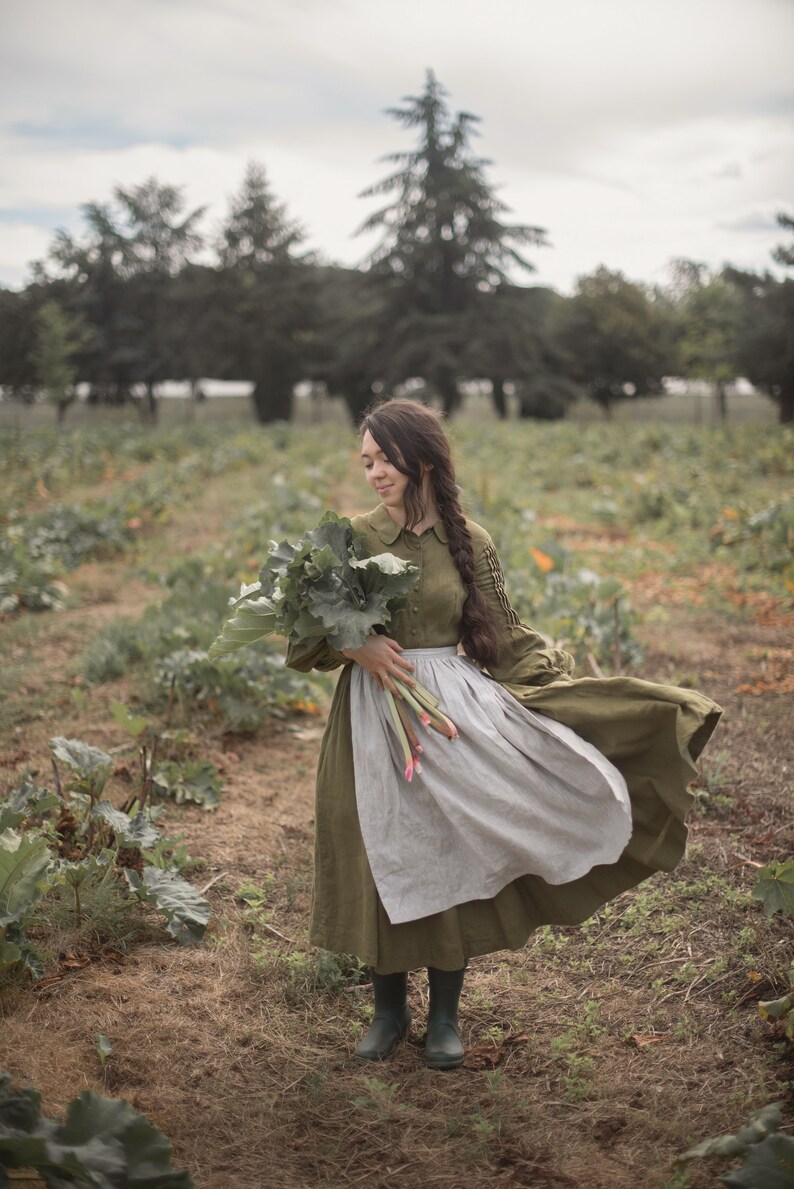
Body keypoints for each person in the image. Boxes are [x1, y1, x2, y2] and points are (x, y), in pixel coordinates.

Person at [285, 398, 722, 1071]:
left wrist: (566, 692)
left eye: (384, 458)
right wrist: (357, 645)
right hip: (373, 714)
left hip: (448, 711)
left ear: (422, 458)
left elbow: (505, 637)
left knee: (453, 846)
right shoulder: (347, 537)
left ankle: (445, 1017)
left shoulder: (471, 539)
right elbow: (301, 639)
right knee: (385, 852)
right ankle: (387, 1010)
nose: (373, 471)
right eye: (365, 460)